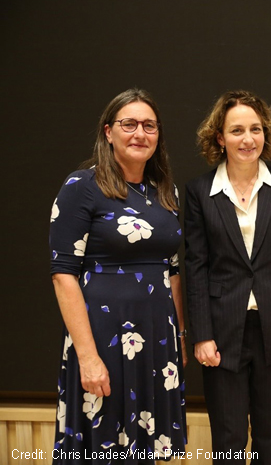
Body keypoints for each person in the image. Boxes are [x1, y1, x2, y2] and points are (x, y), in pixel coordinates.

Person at [49, 89, 187, 464]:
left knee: (150, 451)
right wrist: (88, 356)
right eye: (129, 124)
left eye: (149, 125)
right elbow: (63, 276)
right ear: (109, 132)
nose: (139, 133)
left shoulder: (166, 191)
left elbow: (172, 271)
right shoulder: (81, 187)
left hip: (159, 342)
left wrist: (181, 337)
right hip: (104, 340)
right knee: (103, 450)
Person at [185, 90, 271, 463]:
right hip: (223, 332)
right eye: (237, 130)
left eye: (255, 129)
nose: (248, 139)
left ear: (265, 134)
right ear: (220, 137)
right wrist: (202, 334)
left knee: (270, 436)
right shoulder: (199, 192)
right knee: (229, 439)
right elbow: (195, 267)